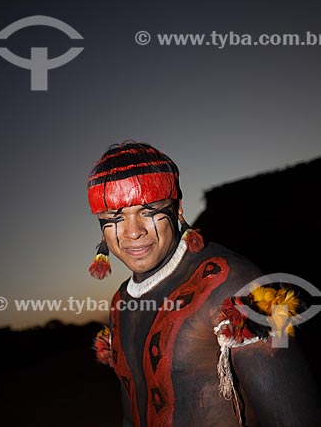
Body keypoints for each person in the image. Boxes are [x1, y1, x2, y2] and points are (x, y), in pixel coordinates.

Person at [86, 141, 320, 427]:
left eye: (148, 211)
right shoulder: (119, 303)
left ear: (178, 209)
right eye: (115, 218)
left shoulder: (234, 284)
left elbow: (295, 420)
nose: (133, 232)